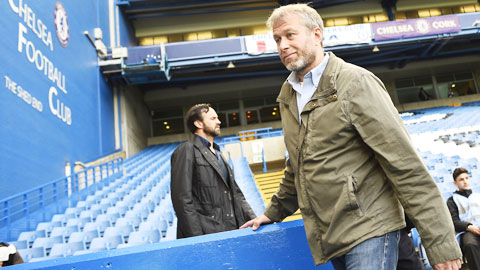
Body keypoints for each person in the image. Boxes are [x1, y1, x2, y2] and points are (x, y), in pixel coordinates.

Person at [240, 3, 462, 269]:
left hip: (371, 226)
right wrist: (272, 212)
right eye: (277, 39)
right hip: (334, 236)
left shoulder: (355, 83)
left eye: (290, 35)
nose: (282, 45)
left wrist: (440, 243)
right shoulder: (289, 96)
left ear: (317, 34)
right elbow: (297, 166)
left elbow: (406, 166)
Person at [171, 103, 256, 239]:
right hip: (207, 235)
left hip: (231, 230)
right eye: (213, 118)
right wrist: (197, 238)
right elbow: (182, 200)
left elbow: (237, 195)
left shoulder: (219, 154)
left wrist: (254, 220)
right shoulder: (186, 150)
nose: (219, 121)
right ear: (199, 123)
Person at [447, 167, 480, 270]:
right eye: (461, 179)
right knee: (470, 245)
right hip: (467, 231)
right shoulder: (452, 200)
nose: (465, 182)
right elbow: (454, 221)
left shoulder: (477, 196)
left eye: (467, 178)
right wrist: (469, 227)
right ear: (455, 183)